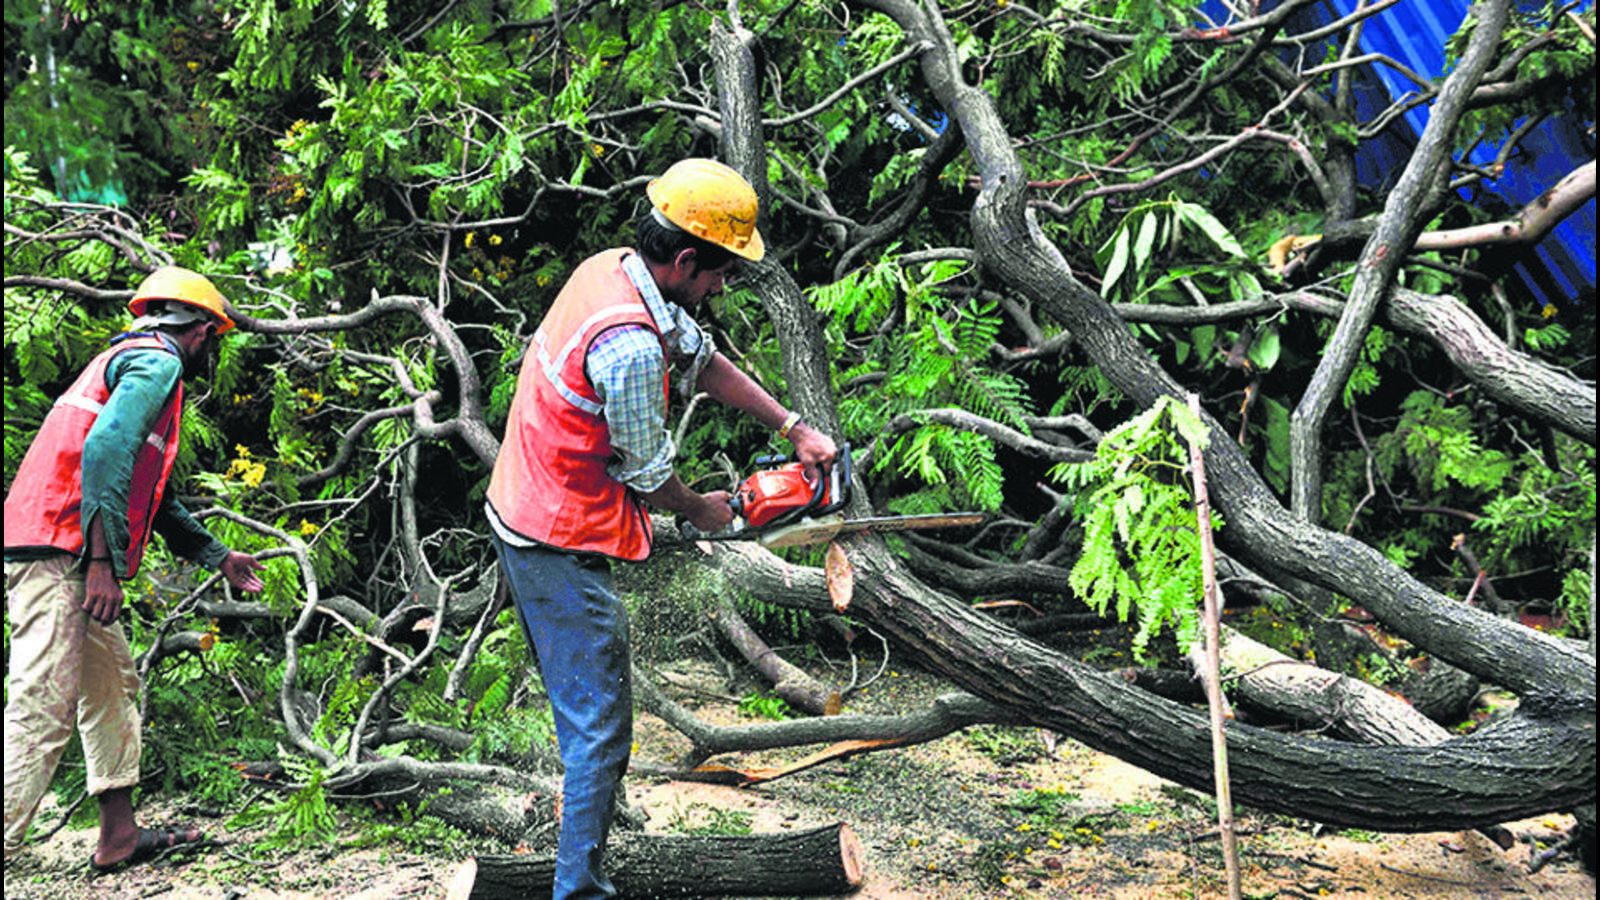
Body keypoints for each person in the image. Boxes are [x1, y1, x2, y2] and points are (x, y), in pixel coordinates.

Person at [485, 158, 837, 899]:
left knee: (591, 718)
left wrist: (792, 427)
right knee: (600, 730)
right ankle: (579, 891)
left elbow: (700, 358)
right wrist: (710, 511)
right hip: (549, 536)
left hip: (530, 504)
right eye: (718, 275)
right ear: (684, 259)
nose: (719, 288)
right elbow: (647, 473)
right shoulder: (629, 343)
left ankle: (585, 853)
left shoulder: (610, 270)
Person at [4, 266, 266, 870]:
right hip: (61, 550)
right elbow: (103, 452)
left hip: (66, 546)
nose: (212, 349)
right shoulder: (158, 364)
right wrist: (102, 563)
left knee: (113, 685)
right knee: (43, 706)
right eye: (215, 339)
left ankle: (118, 837)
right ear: (200, 332)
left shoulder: (128, 360)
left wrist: (216, 555)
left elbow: (152, 492)